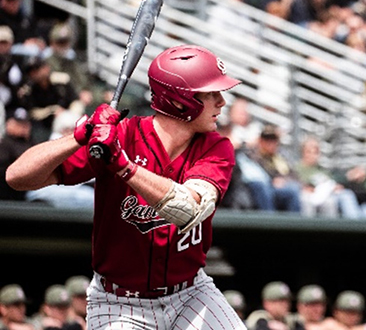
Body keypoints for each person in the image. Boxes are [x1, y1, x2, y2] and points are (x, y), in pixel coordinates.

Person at [6, 44, 246, 330]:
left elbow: (188, 209)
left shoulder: (215, 146)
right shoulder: (123, 135)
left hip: (191, 294)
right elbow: (17, 177)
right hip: (119, 303)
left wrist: (123, 166)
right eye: (211, 94)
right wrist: (79, 136)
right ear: (181, 101)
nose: (222, 101)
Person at [294, 136, 366, 219]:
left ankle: (355, 224)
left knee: (347, 196)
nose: (313, 155)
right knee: (323, 202)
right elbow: (297, 183)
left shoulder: (321, 169)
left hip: (326, 195)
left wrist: (335, 186)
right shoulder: (298, 168)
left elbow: (331, 181)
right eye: (309, 151)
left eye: (316, 152)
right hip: (309, 197)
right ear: (302, 152)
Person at [237, 124, 302, 212]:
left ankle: (294, 224)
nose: (270, 143)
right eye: (266, 140)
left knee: (294, 189)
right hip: (266, 187)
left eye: (273, 140)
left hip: (282, 187)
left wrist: (284, 180)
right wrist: (273, 180)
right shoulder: (254, 155)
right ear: (260, 141)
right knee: (261, 187)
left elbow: (294, 175)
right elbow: (241, 153)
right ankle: (270, 222)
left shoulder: (281, 156)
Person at [18, 56, 81, 144]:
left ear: (46, 68)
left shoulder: (61, 80)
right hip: (45, 125)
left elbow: (75, 100)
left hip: (67, 120)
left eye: (37, 69)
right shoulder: (29, 90)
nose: (35, 73)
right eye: (31, 71)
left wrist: (69, 115)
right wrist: (52, 110)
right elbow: (32, 112)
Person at [0, 107, 33, 201]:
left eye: (25, 123)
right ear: (8, 124)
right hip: (12, 191)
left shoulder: (32, 142)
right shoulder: (4, 144)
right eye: (18, 123)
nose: (23, 127)